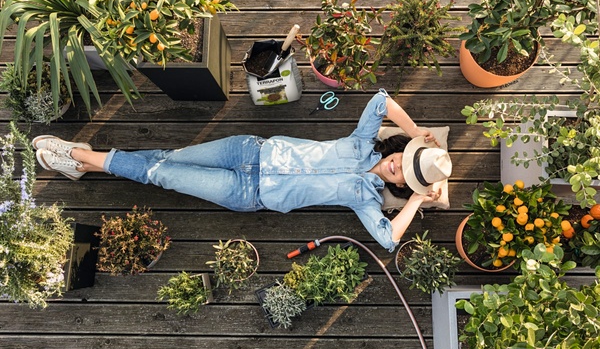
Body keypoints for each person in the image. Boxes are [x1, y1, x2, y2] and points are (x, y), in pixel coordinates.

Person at [33, 89, 451, 251]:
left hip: (245, 193)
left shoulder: (366, 200)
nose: (397, 166)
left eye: (402, 175)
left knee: (162, 174)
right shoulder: (363, 143)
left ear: (399, 184)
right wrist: (419, 133)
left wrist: (415, 199)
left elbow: (388, 239)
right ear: (397, 148)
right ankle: (88, 162)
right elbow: (381, 100)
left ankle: (81, 157)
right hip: (247, 150)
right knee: (169, 156)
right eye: (402, 157)